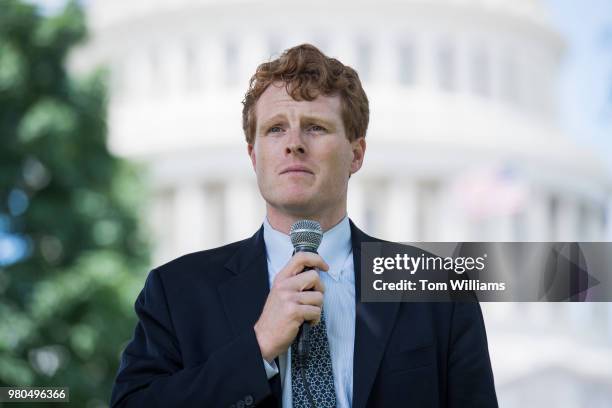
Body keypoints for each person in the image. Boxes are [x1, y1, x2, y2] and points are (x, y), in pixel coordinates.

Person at [110, 43, 498, 408]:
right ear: (253, 155)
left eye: (315, 127)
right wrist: (257, 346)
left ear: (356, 154)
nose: (293, 143)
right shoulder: (178, 292)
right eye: (275, 128)